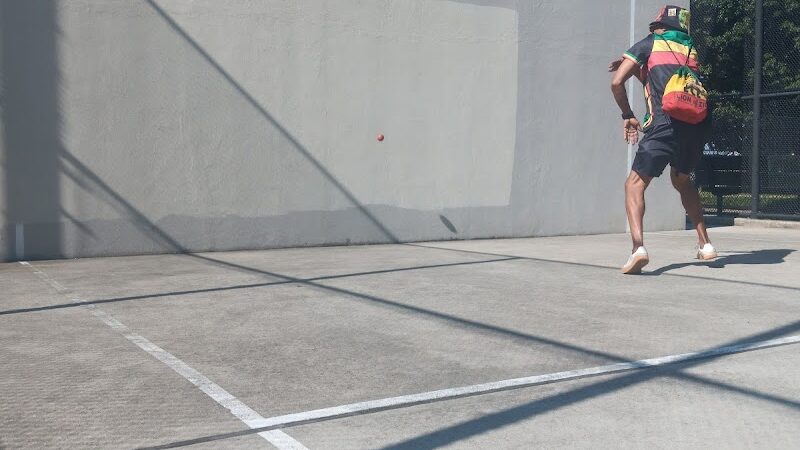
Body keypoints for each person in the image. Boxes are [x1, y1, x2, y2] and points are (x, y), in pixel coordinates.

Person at [609, 5, 718, 274]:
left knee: (634, 184)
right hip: (695, 126)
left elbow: (616, 83)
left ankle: (638, 249)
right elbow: (662, 81)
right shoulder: (690, 50)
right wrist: (637, 68)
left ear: (660, 27)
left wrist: (628, 115)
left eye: (655, 26)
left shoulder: (650, 44)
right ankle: (706, 245)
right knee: (681, 180)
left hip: (664, 124)